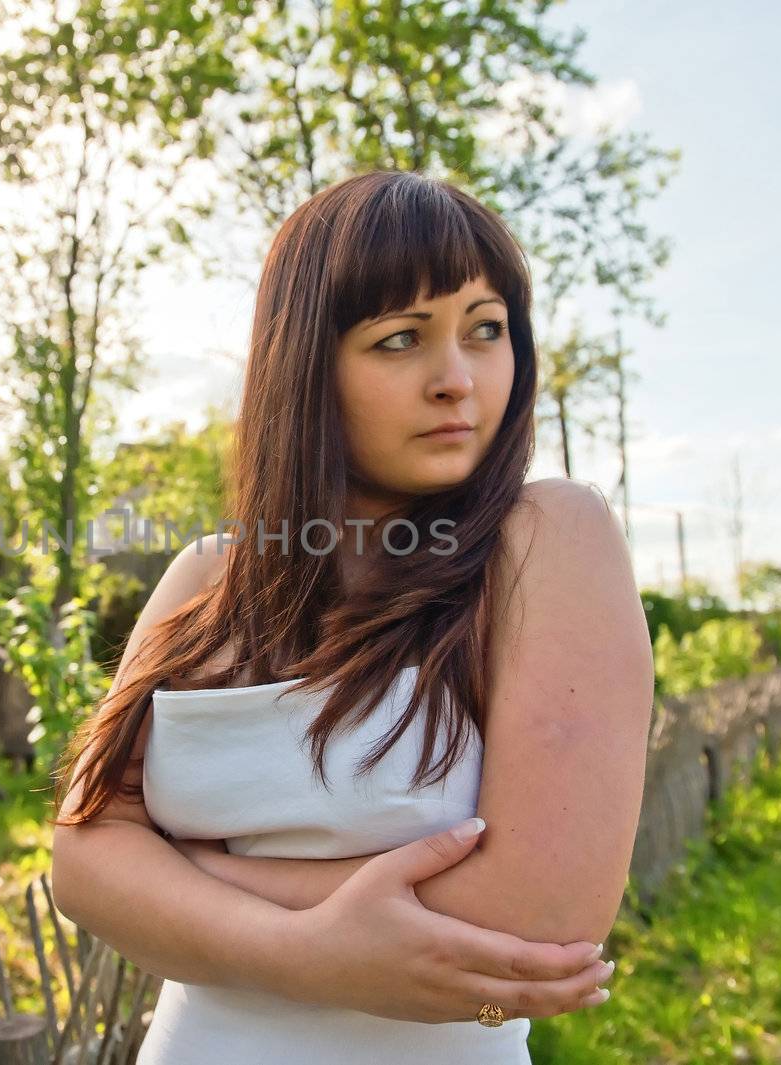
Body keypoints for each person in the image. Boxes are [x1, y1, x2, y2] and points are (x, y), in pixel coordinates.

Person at [49, 169, 655, 1063]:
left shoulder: (548, 538)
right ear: (307, 365)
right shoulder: (208, 579)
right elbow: (84, 857)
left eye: (486, 329)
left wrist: (195, 875)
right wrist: (308, 949)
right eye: (401, 338)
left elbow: (543, 917)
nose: (457, 379)